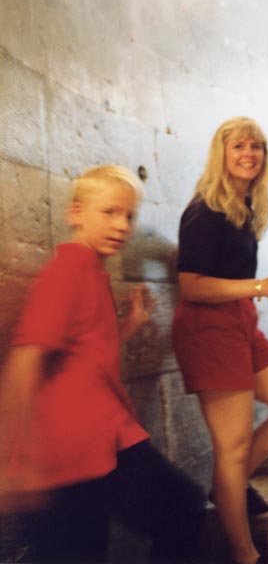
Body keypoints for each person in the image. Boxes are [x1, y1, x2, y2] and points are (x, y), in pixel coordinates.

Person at [0, 165, 205, 563]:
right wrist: (15, 459)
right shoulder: (69, 269)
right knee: (180, 508)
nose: (122, 225)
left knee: (177, 510)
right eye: (109, 212)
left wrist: (130, 325)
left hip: (102, 441)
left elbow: (86, 350)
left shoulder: (91, 270)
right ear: (76, 213)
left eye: (129, 216)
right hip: (71, 450)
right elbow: (26, 358)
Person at [172, 117, 268, 564]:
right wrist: (260, 286)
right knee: (231, 447)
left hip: (240, 322)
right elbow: (193, 286)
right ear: (222, 152)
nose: (249, 154)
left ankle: (228, 486)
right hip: (207, 330)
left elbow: (231, 280)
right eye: (239, 146)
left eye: (257, 146)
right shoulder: (205, 210)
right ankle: (245, 555)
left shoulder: (244, 208)